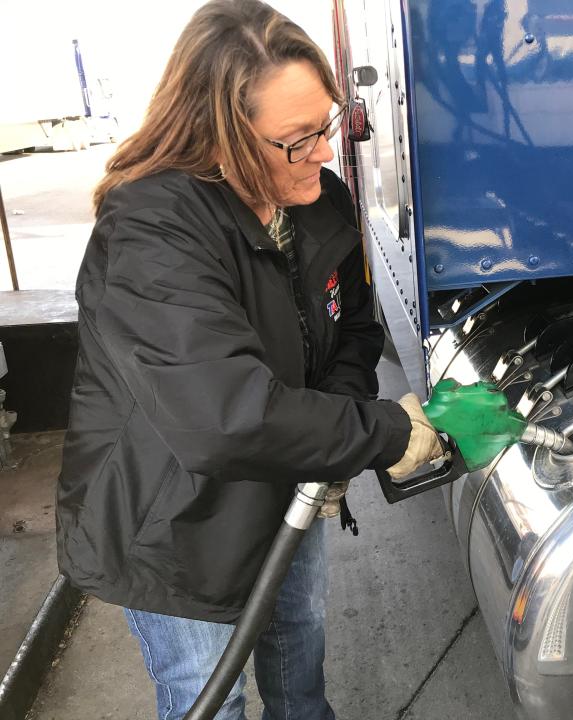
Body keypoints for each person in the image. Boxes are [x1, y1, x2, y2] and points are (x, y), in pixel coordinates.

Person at [55, 1, 442, 718]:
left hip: (285, 481)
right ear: (220, 138)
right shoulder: (154, 231)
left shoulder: (315, 200)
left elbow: (354, 329)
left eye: (325, 126)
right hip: (177, 523)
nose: (323, 155)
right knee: (213, 697)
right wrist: (381, 433)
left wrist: (334, 435)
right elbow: (226, 418)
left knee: (301, 656)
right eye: (297, 140)